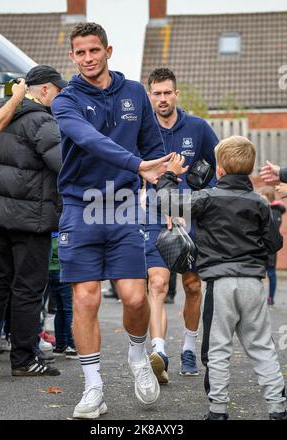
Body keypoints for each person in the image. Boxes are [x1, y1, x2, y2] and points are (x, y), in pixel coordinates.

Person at [51, 22, 172, 419]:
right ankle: (94, 387)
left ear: (108, 50)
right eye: (80, 53)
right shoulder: (65, 100)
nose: (87, 58)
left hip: (123, 207)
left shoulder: (136, 93)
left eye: (94, 51)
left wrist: (168, 177)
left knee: (137, 297)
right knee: (84, 297)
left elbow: (154, 149)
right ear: (72, 57)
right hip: (78, 205)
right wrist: (138, 164)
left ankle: (138, 356)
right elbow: (90, 141)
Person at [156, 137, 287, 420]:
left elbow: (165, 202)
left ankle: (218, 410)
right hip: (253, 284)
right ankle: (277, 407)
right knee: (262, 345)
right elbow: (274, 243)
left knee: (218, 348)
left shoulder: (207, 198)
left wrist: (170, 175)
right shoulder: (260, 203)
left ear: (220, 170)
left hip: (220, 284)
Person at [0, 65, 67, 376]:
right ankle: (23, 358)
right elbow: (65, 166)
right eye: (58, 91)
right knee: (29, 288)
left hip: (2, 216)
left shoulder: (0, 115)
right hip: (32, 218)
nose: (59, 98)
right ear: (44, 90)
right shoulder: (43, 122)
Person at [145, 67, 218, 383]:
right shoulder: (142, 131)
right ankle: (159, 351)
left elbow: (218, 168)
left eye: (167, 92)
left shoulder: (198, 128)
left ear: (176, 94)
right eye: (157, 93)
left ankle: (189, 346)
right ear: (150, 97)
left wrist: (202, 200)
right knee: (157, 284)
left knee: (191, 286)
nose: (162, 99)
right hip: (155, 218)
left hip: (192, 219)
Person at [259, 186, 286, 305]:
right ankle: (259, 297)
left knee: (270, 273)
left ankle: (270, 297)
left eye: (263, 198)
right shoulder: (263, 209)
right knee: (259, 273)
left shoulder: (275, 211)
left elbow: (271, 230)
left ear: (269, 198)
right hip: (260, 247)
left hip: (269, 248)